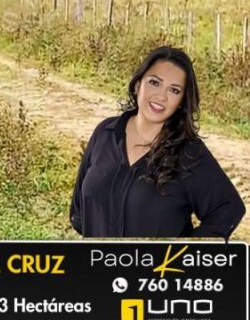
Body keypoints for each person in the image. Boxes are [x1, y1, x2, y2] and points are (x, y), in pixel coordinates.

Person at [70, 46, 245, 238]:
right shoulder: (105, 133)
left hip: (157, 268)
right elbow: (79, 212)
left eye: (174, 90)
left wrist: (184, 256)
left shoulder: (188, 152)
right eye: (154, 82)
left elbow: (228, 209)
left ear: (181, 102)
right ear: (138, 84)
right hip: (99, 265)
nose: (161, 96)